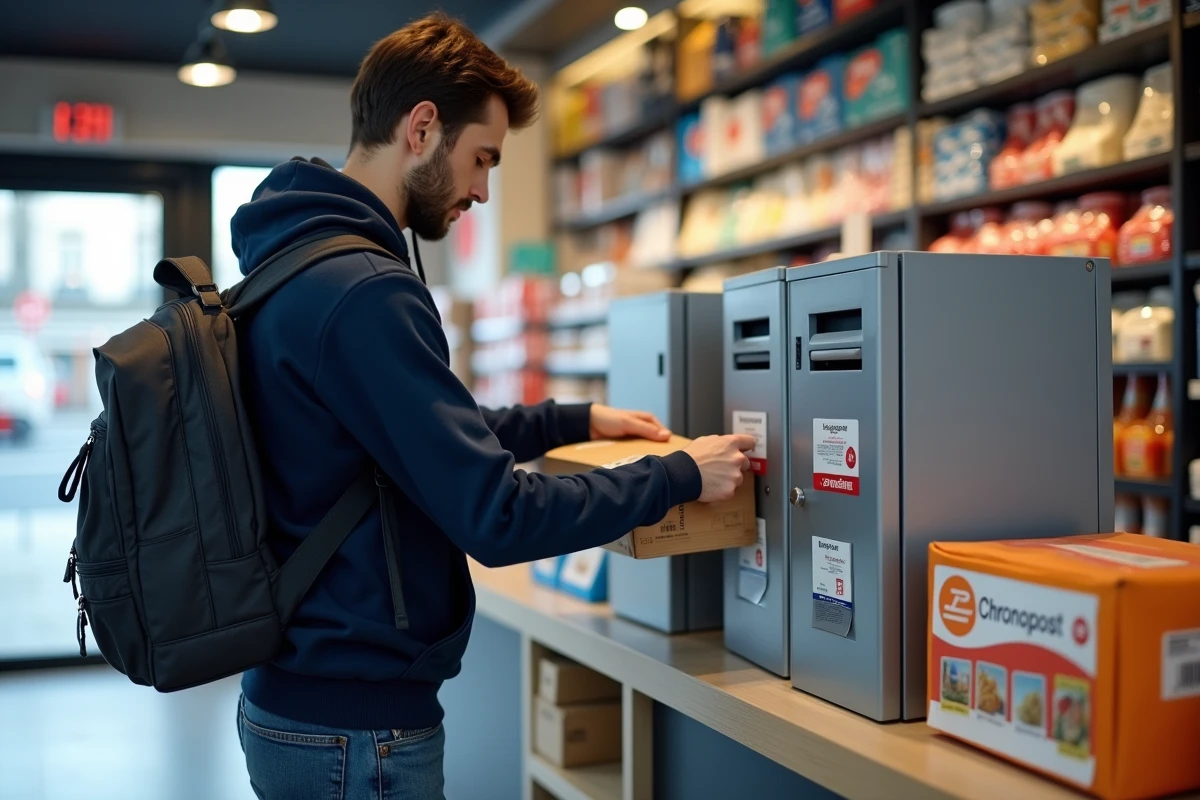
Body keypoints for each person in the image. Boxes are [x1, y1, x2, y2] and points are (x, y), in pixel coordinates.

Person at [230, 12, 754, 800]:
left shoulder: (293, 264)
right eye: (483, 159)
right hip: (355, 730)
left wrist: (570, 421)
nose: (481, 188)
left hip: (301, 699)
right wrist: (678, 475)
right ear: (422, 127)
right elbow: (495, 517)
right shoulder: (364, 292)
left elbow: (406, 441)